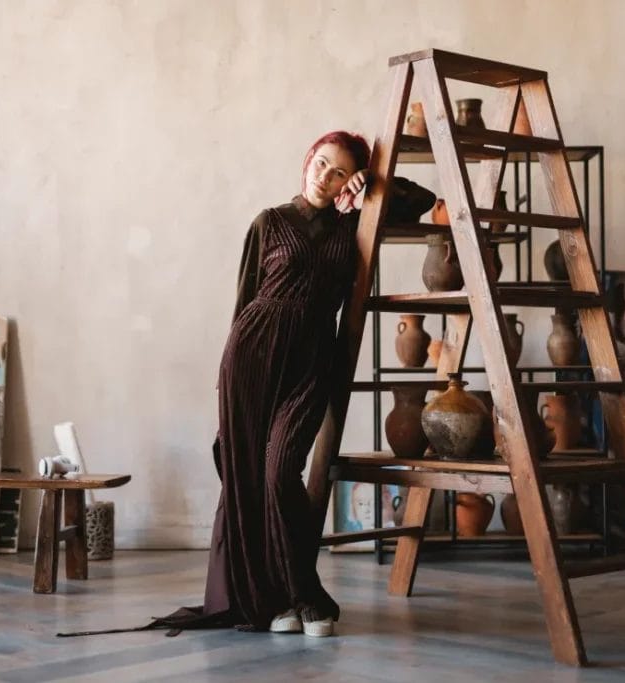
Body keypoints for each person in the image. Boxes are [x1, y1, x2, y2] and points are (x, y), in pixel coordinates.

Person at [145, 131, 435, 638]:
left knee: (280, 473)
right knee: (249, 478)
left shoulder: (355, 227)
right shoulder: (270, 222)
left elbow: (421, 202)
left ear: (351, 180)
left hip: (310, 365)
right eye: (321, 163)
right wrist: (224, 386)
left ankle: (305, 592)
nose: (325, 175)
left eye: (340, 170)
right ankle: (275, 599)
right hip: (251, 359)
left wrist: (373, 185)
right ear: (307, 162)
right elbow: (243, 304)